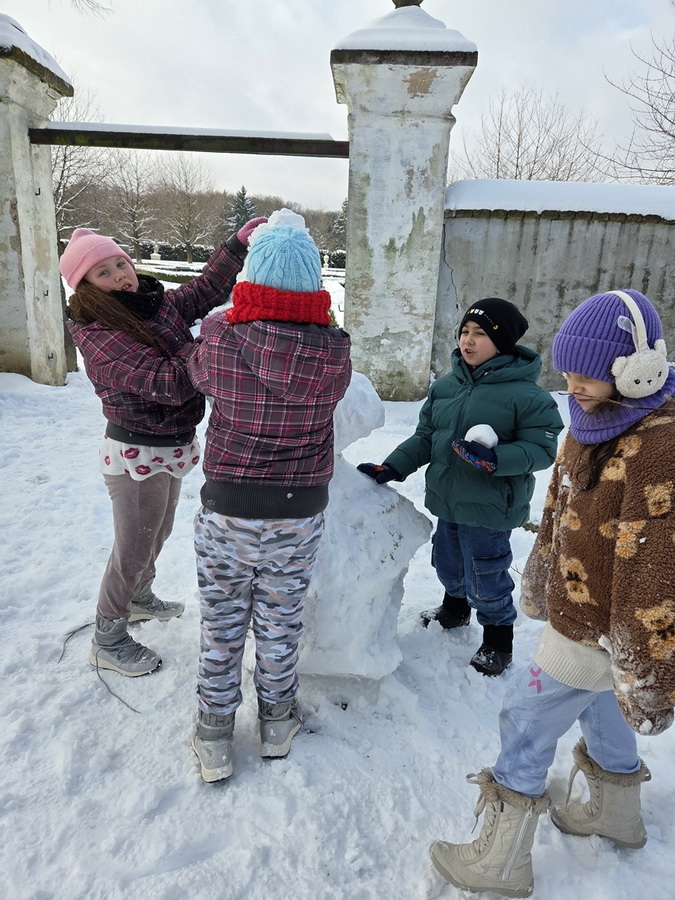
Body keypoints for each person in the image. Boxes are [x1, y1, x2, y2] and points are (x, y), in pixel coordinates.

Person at [430, 289, 675, 898]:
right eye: (568, 373)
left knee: (526, 717)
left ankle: (501, 862)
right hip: (581, 608)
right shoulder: (595, 420)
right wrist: (542, 580)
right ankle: (617, 815)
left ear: (637, 371)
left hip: (605, 621)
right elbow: (560, 510)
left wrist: (641, 660)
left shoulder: (659, 446)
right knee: (600, 706)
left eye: (588, 375)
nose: (574, 386)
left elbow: (657, 569)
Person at [186, 209, 352, 783]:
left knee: (222, 623)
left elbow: (194, 370)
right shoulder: (335, 353)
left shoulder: (220, 341)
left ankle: (214, 733)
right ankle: (277, 721)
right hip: (297, 513)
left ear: (250, 280)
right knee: (281, 621)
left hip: (228, 510)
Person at [62, 218, 265, 677]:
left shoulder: (152, 303)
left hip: (170, 445)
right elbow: (168, 382)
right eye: (104, 273)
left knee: (157, 531)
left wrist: (235, 246)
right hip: (137, 452)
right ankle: (107, 638)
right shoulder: (98, 332)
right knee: (132, 547)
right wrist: (214, 338)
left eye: (120, 264)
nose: (120, 276)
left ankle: (138, 596)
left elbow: (202, 290)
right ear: (86, 285)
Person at [358, 297, 563, 675]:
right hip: (448, 498)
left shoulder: (528, 396)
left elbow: (542, 449)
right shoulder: (445, 388)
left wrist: (496, 459)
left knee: (486, 575)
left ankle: (498, 640)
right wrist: (393, 466)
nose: (468, 340)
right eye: (464, 331)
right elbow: (426, 437)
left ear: (502, 341)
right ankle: (454, 609)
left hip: (490, 507)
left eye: (480, 333)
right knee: (448, 563)